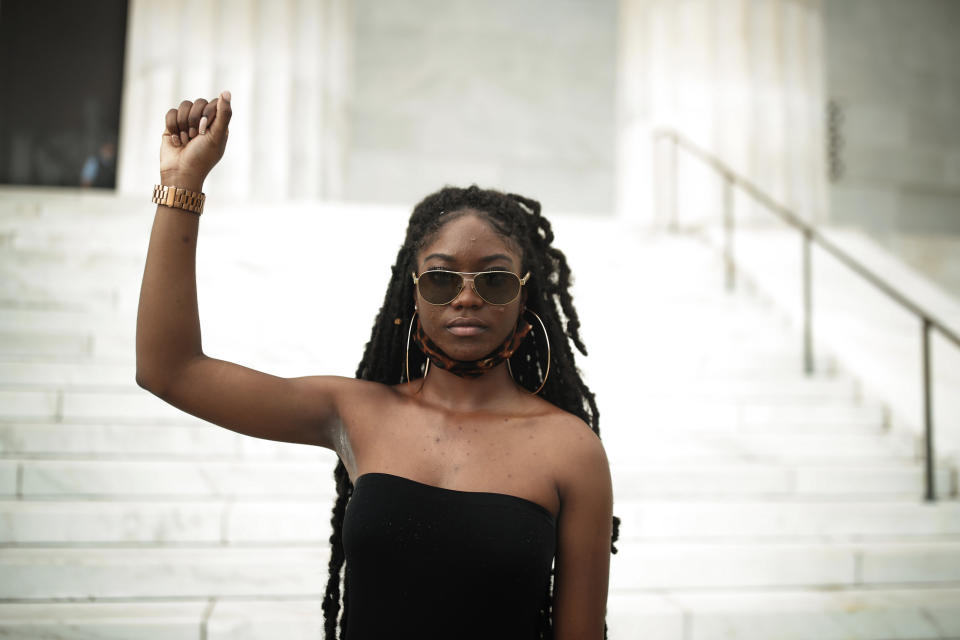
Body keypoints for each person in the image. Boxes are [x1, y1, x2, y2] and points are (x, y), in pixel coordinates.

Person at [136, 91, 618, 640]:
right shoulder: (355, 411)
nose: (466, 297)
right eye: (441, 277)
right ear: (412, 292)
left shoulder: (570, 449)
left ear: (523, 295)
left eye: (494, 278)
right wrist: (183, 183)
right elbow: (168, 370)